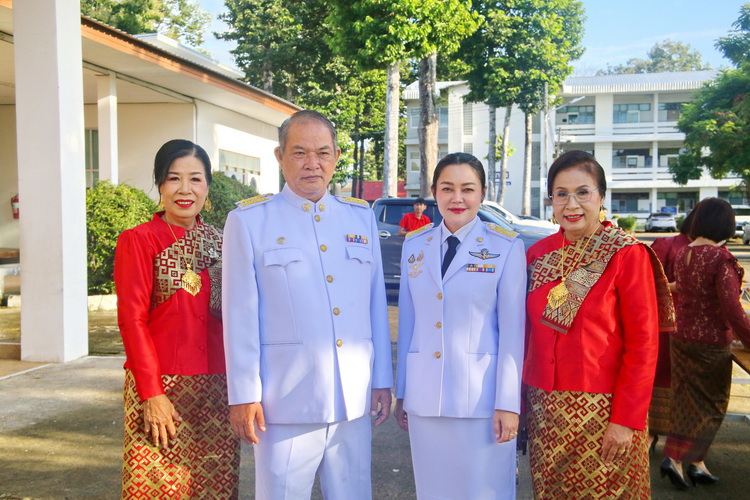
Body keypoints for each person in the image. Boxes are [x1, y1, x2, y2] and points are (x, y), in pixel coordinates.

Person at [221, 110, 393, 500]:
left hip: (351, 397)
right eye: (299, 152)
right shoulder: (250, 221)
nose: (312, 163)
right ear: (280, 156)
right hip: (284, 401)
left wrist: (381, 378)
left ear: (335, 157)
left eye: (322, 152)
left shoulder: (359, 218)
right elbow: (240, 316)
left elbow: (374, 305)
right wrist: (244, 394)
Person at [523, 150, 673, 498]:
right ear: (551, 201)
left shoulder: (626, 254)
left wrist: (626, 420)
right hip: (544, 411)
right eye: (561, 194)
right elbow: (527, 335)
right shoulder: (537, 255)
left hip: (605, 414)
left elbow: (644, 344)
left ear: (601, 197)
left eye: (583, 192)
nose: (571, 204)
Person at [393, 153, 525, 499]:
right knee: (433, 490)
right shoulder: (414, 246)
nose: (457, 198)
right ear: (434, 192)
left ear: (482, 193)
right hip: (425, 397)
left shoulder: (505, 247)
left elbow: (513, 333)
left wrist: (508, 403)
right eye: (447, 188)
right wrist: (403, 391)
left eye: (467, 189)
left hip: (482, 401)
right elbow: (409, 325)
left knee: (485, 491)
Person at [115, 139, 239, 498]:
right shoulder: (139, 240)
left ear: (207, 186)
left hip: (217, 390)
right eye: (174, 178)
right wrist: (152, 393)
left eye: (195, 179)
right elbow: (132, 321)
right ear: (160, 184)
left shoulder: (224, 242)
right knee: (156, 488)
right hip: (160, 387)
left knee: (213, 488)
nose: (185, 189)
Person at [660, 197, 750, 490]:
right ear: (725, 224)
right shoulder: (721, 258)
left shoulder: (685, 252)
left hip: (681, 337)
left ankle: (692, 462)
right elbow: (732, 308)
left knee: (684, 401)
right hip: (710, 341)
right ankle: (677, 457)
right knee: (713, 406)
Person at [648, 209, 695, 448]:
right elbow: (647, 279)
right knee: (659, 375)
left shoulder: (715, 250)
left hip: (695, 326)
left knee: (688, 384)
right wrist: (677, 286)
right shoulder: (667, 244)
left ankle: (679, 443)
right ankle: (650, 433)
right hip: (665, 324)